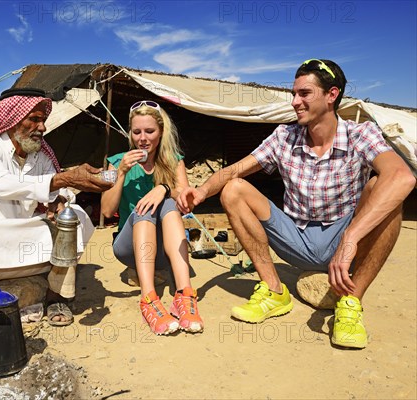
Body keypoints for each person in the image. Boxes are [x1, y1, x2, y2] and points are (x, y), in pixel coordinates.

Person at [178, 59, 415, 349]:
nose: (294, 102)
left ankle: (350, 303)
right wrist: (201, 191)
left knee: (385, 189)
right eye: (293, 94)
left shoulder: (360, 134)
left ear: (331, 95)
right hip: (295, 237)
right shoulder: (284, 136)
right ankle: (275, 292)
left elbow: (402, 178)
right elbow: (234, 170)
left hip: (344, 237)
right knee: (233, 190)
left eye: (304, 93)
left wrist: (351, 238)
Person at [0, 88, 112, 343]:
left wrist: (60, 203)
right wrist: (64, 178)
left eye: (43, 120)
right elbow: (4, 185)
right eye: (33, 119)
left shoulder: (41, 155)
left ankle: (57, 297)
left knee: (74, 216)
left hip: (29, 243)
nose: (42, 127)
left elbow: (59, 192)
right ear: (12, 119)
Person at [101, 100, 204, 335]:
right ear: (130, 133)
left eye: (150, 131)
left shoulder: (174, 160)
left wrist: (164, 188)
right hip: (130, 248)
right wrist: (121, 173)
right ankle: (148, 298)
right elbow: (107, 211)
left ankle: (184, 294)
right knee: (143, 208)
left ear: (161, 132)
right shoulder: (115, 162)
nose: (142, 138)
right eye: (136, 132)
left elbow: (186, 204)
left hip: (164, 253)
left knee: (168, 201)